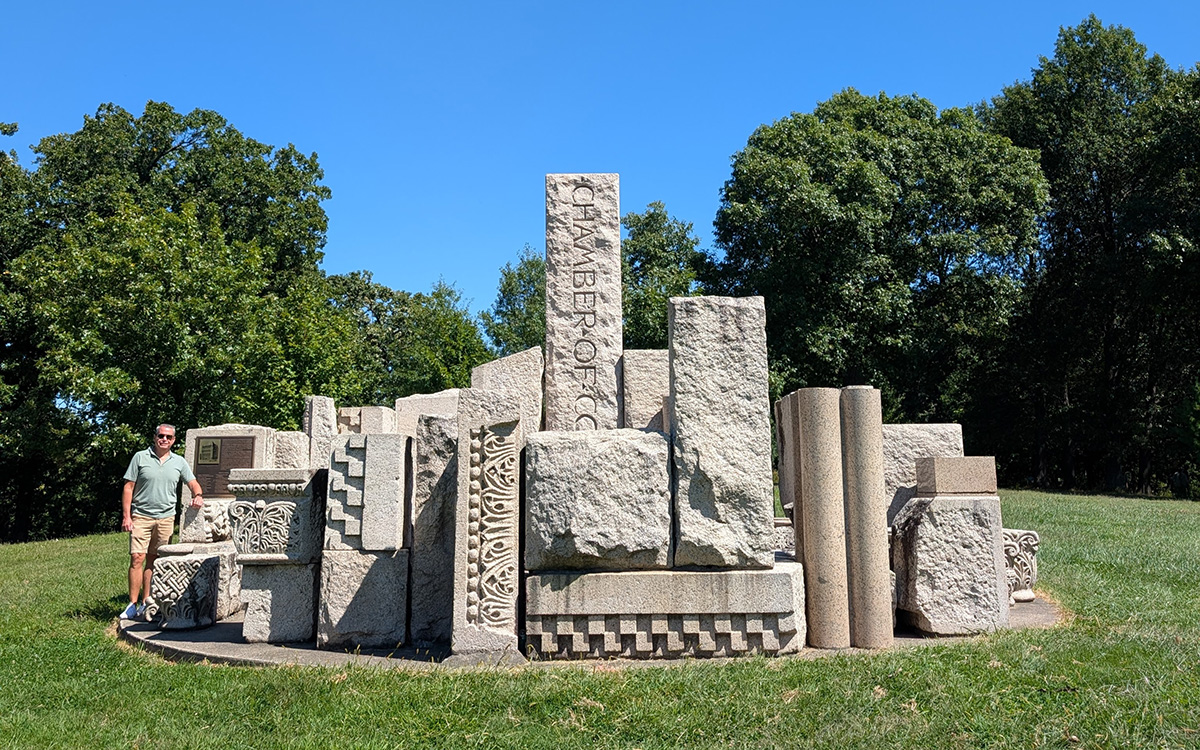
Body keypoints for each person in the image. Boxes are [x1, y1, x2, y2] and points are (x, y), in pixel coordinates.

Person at [120, 424, 203, 620]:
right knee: (137, 558)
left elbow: (192, 482)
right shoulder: (140, 457)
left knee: (155, 560)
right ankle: (132, 604)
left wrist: (198, 495)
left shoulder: (179, 462)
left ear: (174, 440)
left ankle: (146, 601)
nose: (164, 439)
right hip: (141, 515)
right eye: (161, 436)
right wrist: (126, 516)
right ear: (155, 437)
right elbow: (128, 487)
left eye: (168, 437)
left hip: (166, 518)